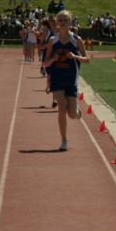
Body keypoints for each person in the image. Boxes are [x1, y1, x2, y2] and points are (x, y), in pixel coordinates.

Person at [43, 10, 89, 151]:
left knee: (72, 115)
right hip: (57, 78)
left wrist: (75, 56)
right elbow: (46, 63)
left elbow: (86, 59)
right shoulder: (52, 41)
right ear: (56, 23)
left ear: (70, 22)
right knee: (61, 108)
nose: (62, 23)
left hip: (71, 79)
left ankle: (76, 110)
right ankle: (64, 140)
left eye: (65, 20)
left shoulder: (77, 39)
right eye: (60, 20)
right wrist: (53, 59)